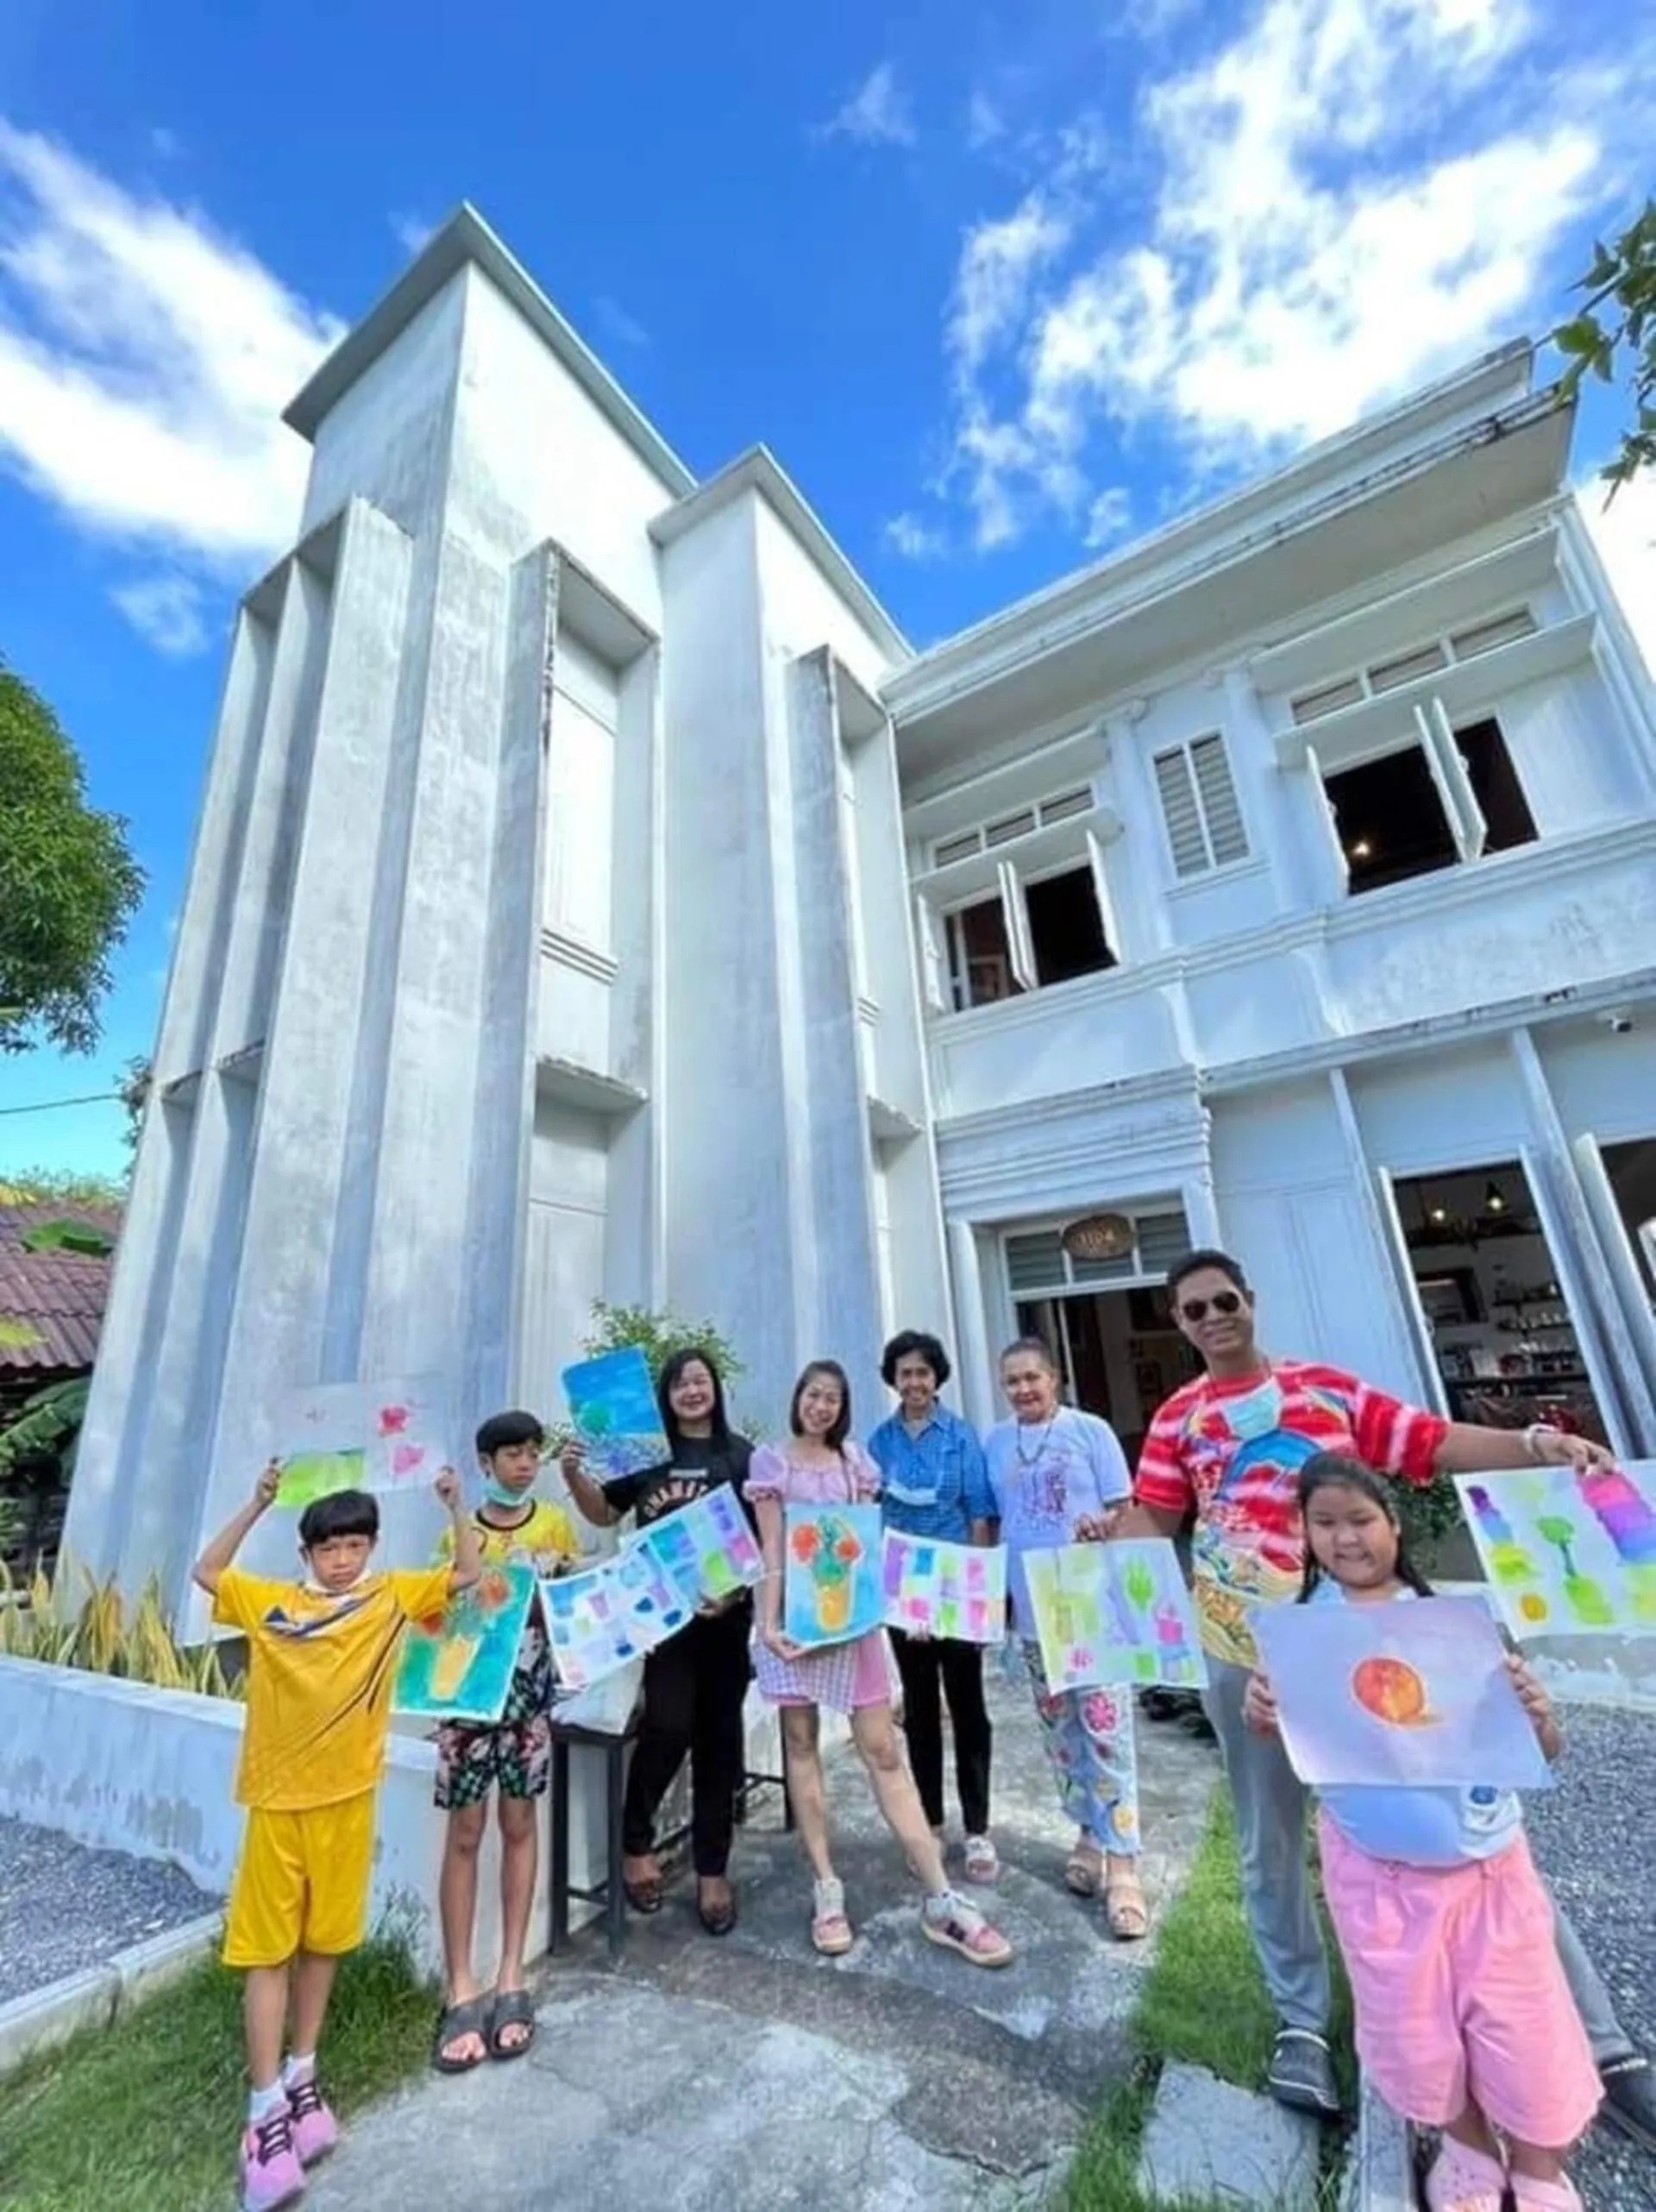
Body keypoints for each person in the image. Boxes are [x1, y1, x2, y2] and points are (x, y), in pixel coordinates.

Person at [1125, 1245, 1653, 2133]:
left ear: (1251, 1301)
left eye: (1225, 1299)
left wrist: (1534, 1444)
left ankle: (1602, 2043)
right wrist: (1093, 1542)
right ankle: (1303, 2023)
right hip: (1243, 1652)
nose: (1213, 1316)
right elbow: (1154, 1520)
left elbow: (1431, 1442)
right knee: (1271, 1838)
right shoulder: (1178, 1417)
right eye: (1193, 1308)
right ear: (1178, 1324)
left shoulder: (1328, 1389)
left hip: (1372, 1641)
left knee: (1476, 1827)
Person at [1245, 1455, 1600, 2212]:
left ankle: (1540, 2167)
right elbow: (1299, 1745)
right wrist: (1264, 1717)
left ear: (1395, 1525)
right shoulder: (1304, 1636)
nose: (1346, 1539)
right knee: (1414, 2026)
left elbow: (1541, 1752)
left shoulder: (1455, 1621)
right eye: (1326, 1524)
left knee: (1521, 2019)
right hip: (1376, 1874)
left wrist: (1538, 1718)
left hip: (1484, 1867)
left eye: (1361, 1520)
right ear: (1305, 1536)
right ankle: (1468, 2149)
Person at [193, 1465, 479, 2212]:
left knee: (325, 1944)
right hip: (279, 1807)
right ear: (308, 1552)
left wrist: (455, 1503)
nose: (343, 1558)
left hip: (350, 1804)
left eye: (355, 1544)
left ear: (373, 1548)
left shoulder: (390, 1599)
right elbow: (207, 1571)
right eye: (330, 1547)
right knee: (267, 1951)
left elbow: (468, 1575)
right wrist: (255, 1501)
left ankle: (302, 2075)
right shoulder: (273, 1605)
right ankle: (262, 2118)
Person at [749, 1358, 1013, 1967]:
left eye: (834, 1399)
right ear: (798, 1399)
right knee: (800, 1744)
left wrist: (908, 1602)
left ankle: (942, 1897)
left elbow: (870, 1547)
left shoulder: (856, 1464)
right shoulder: (771, 1463)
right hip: (792, 1623)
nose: (822, 1407)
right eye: (813, 1395)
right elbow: (772, 1548)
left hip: (853, 1624)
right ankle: (826, 1887)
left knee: (884, 1751)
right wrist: (768, 1622)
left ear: (844, 1408)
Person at [560, 1347, 756, 1934]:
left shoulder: (741, 1457)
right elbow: (602, 1514)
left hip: (725, 1623)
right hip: (663, 1625)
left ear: (715, 1388)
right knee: (667, 1727)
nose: (692, 1391)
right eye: (679, 1384)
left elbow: (761, 1541)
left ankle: (713, 1871)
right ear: (665, 1397)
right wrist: (573, 1474)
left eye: (700, 1381)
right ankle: (635, 1844)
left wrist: (737, 1594)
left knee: (720, 1743)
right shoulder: (645, 1456)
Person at [431, 1410, 579, 2073]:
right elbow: (443, 1609)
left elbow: (568, 1613)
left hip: (529, 1697)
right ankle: (460, 1983)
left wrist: (551, 1588)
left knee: (521, 1824)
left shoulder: (553, 1525)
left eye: (530, 1454)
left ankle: (511, 1972)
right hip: (467, 1700)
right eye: (509, 1454)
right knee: (465, 1833)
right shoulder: (459, 1527)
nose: (523, 1464)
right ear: (485, 1462)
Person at [983, 1337, 1146, 1939]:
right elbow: (993, 1521)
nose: (1024, 1389)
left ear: (1055, 1378)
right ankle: (1086, 1832)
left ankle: (1123, 1862)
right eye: (1012, 1381)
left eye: (1033, 1377)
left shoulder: (1091, 1432)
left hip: (1090, 1609)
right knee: (1060, 1736)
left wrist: (1104, 1525)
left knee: (1107, 1732)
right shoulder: (996, 1442)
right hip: (1030, 1612)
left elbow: (1125, 1510)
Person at [867, 1329, 1000, 1884]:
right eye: (905, 1373)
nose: (915, 1382)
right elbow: (872, 1516)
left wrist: (971, 1593)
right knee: (919, 1711)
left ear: (936, 1377)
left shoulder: (961, 1436)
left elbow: (979, 1511)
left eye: (923, 1372)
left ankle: (977, 1829)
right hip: (903, 1594)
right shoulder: (881, 1441)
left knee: (969, 1707)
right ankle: (931, 1821)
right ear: (894, 1380)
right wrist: (897, 1600)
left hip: (955, 1588)